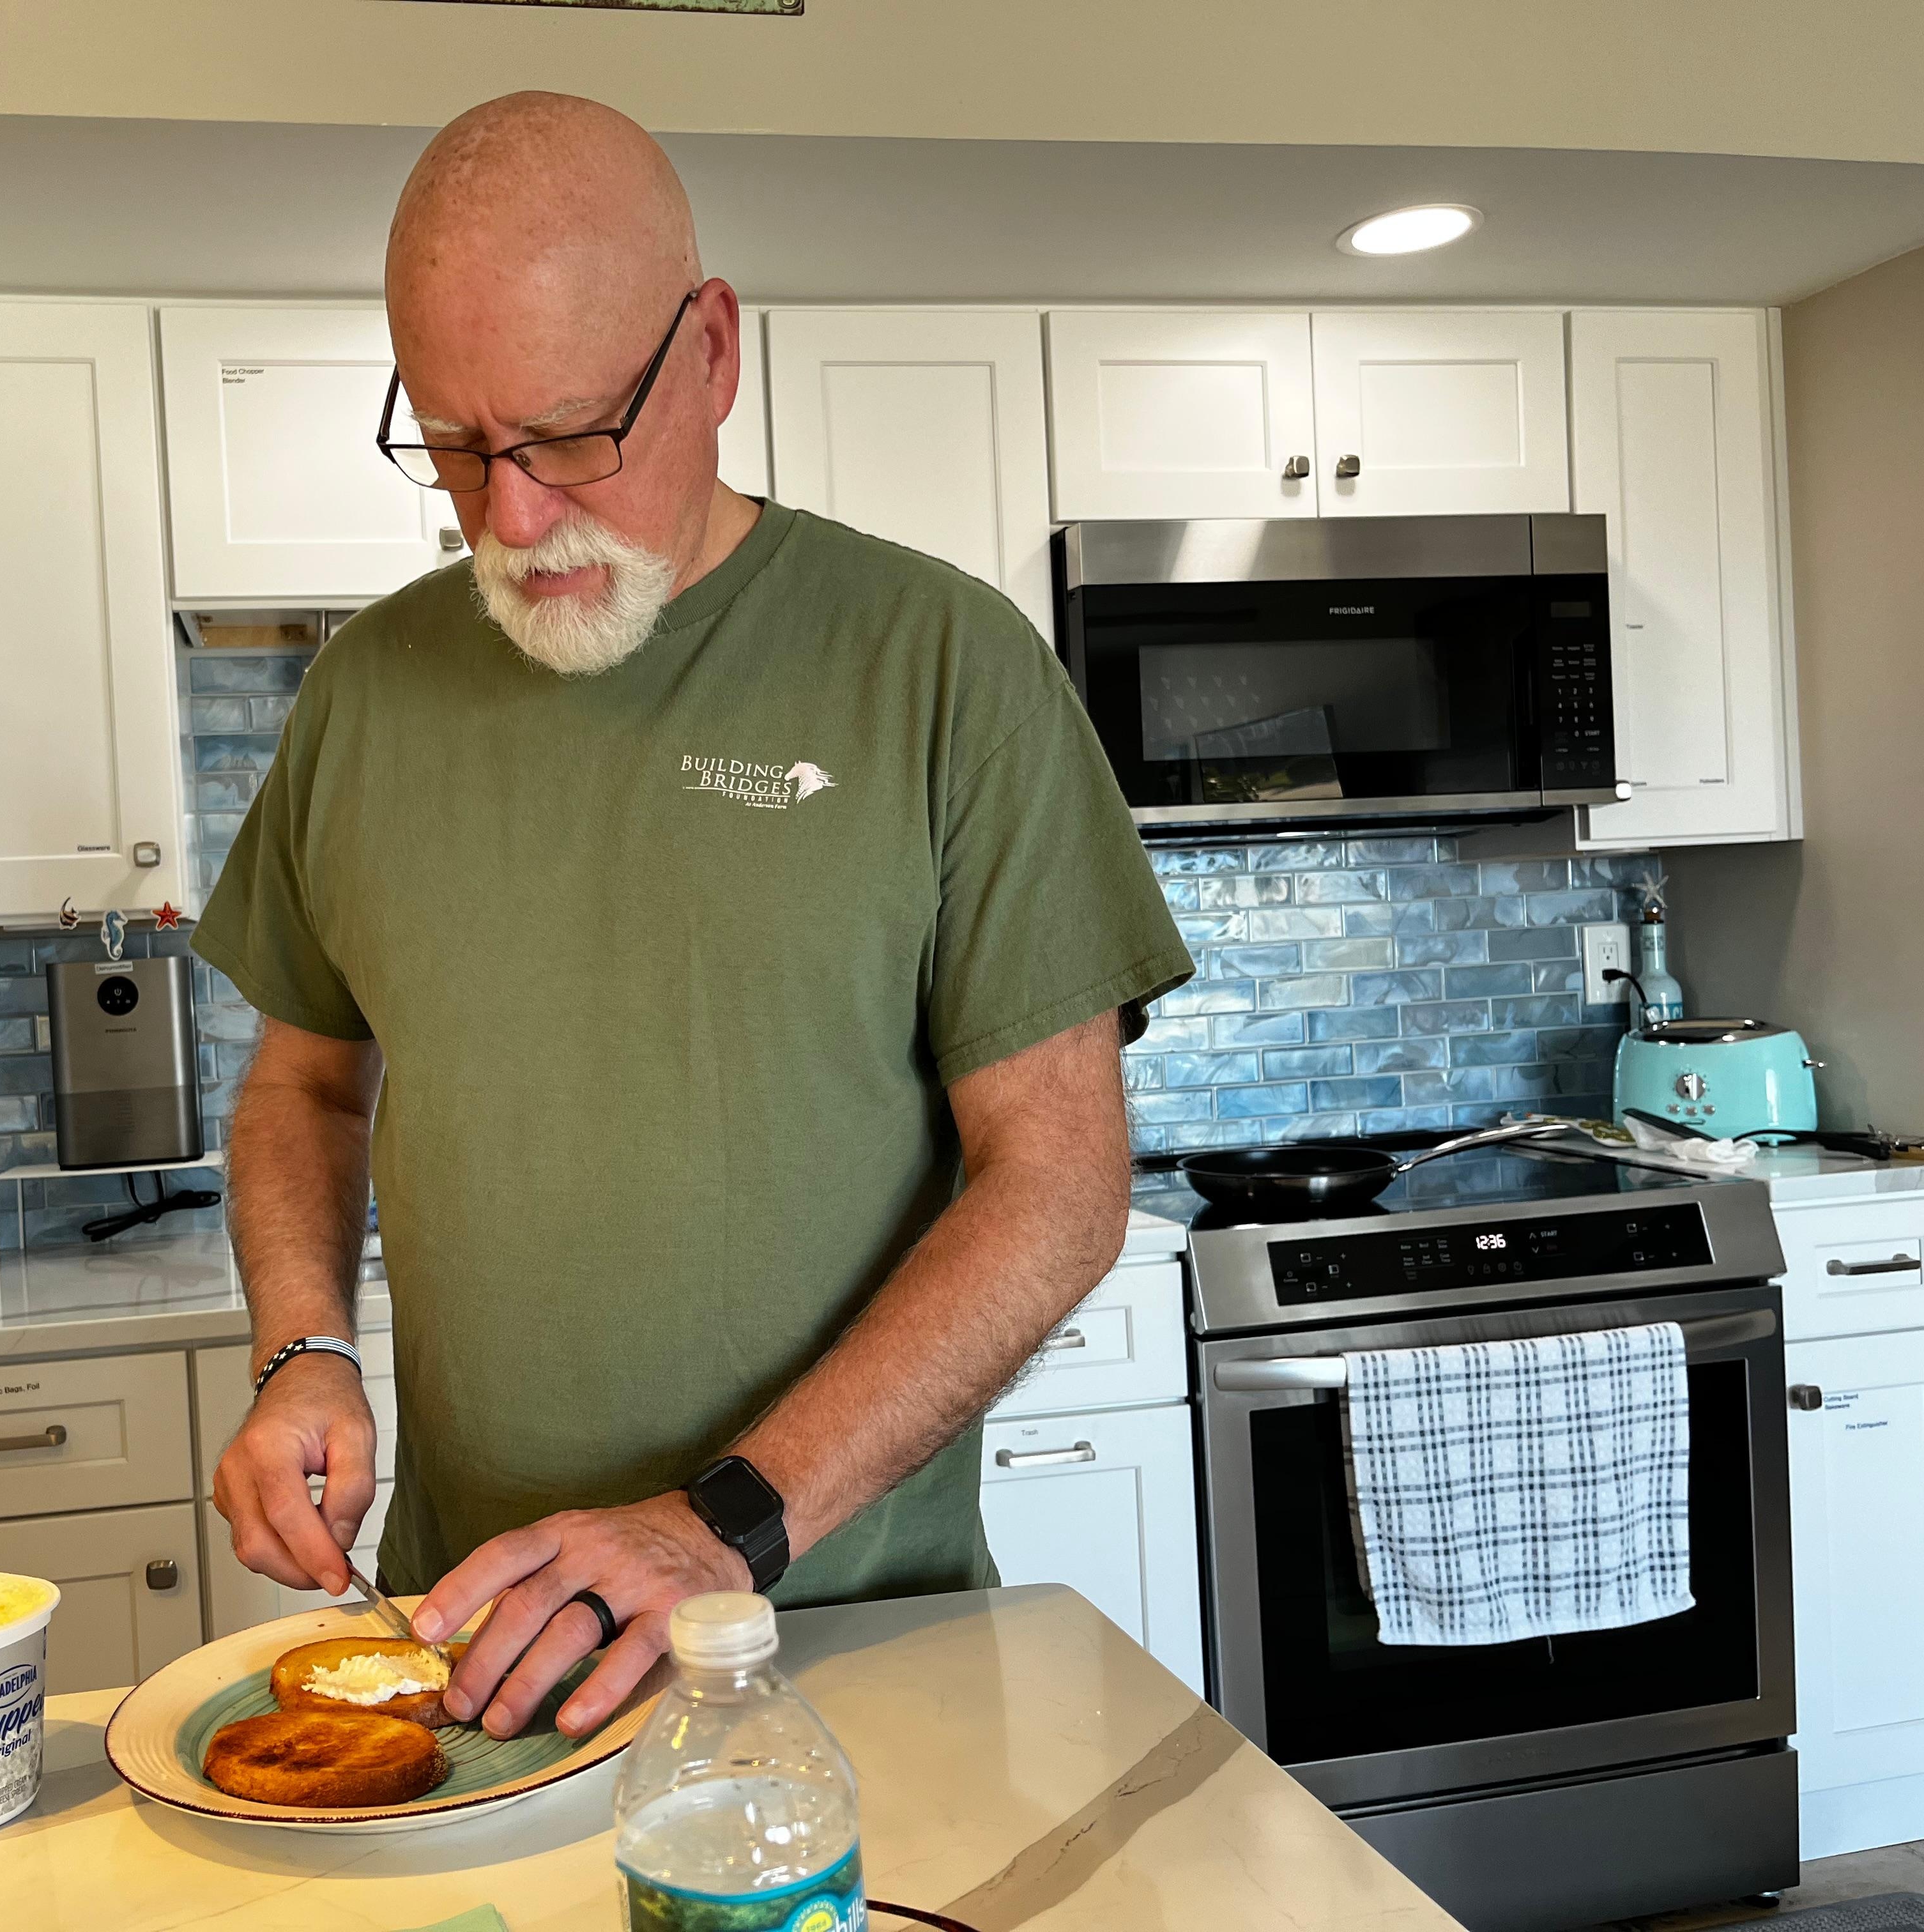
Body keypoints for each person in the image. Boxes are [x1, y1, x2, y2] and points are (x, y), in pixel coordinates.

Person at [194, 90, 1193, 1743]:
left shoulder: (942, 668)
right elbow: (301, 1085)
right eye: (454, 443)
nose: (512, 516)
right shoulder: (365, 695)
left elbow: (1063, 1183)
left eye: (575, 432)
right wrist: (302, 1344)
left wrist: (716, 1527)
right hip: (478, 1657)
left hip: (853, 1646)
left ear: (713, 352)